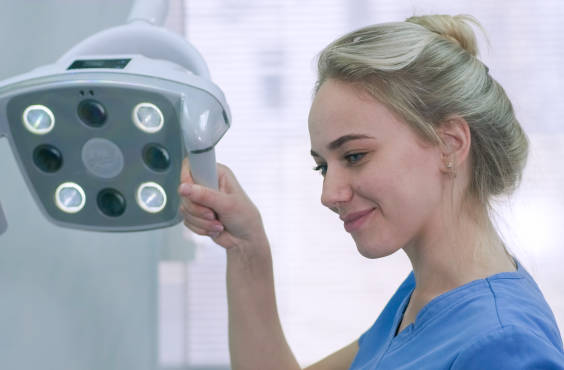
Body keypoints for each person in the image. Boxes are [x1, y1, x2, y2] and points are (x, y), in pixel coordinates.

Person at [178, 14, 564, 369]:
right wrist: (247, 247)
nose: (329, 194)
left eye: (355, 155)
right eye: (322, 166)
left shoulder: (504, 346)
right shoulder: (423, 296)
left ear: (449, 144)